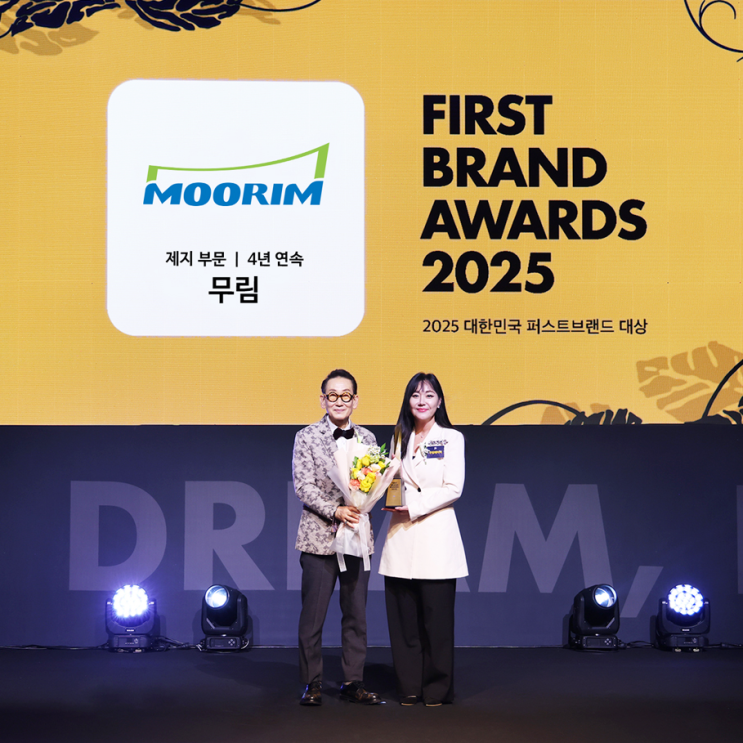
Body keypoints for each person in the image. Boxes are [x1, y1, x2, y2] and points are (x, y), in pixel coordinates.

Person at [293, 369, 383, 706]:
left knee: (356, 615)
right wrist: (335, 510)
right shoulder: (307, 436)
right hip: (320, 539)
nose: (339, 401)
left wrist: (360, 506)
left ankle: (352, 681)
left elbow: (374, 485)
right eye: (333, 395)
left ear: (355, 400)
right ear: (323, 400)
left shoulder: (368, 438)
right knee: (313, 616)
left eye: (346, 395)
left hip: (356, 537)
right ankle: (312, 683)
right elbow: (304, 486)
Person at [379, 372, 467, 707]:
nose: (422, 401)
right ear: (408, 401)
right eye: (415, 395)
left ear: (439, 402)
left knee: (437, 622)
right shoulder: (398, 437)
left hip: (435, 535)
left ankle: (437, 689)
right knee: (404, 622)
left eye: (429, 395)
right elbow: (393, 481)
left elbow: (453, 488)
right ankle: (409, 687)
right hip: (400, 535)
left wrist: (413, 507)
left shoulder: (451, 438)